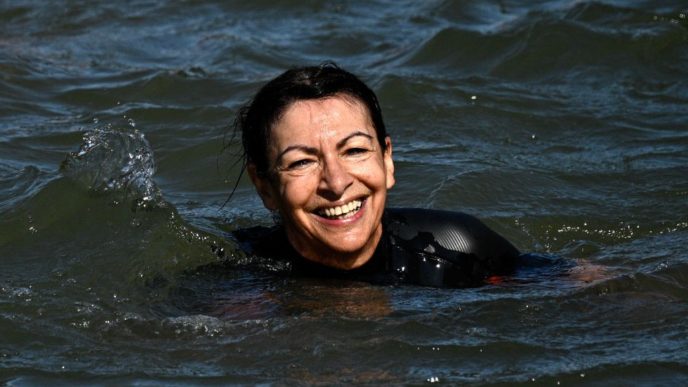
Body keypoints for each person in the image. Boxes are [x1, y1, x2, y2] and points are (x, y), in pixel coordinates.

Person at [231, 62, 520, 288]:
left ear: (387, 160)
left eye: (355, 150)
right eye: (302, 162)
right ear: (264, 186)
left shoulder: (459, 250)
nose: (336, 182)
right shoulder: (241, 284)